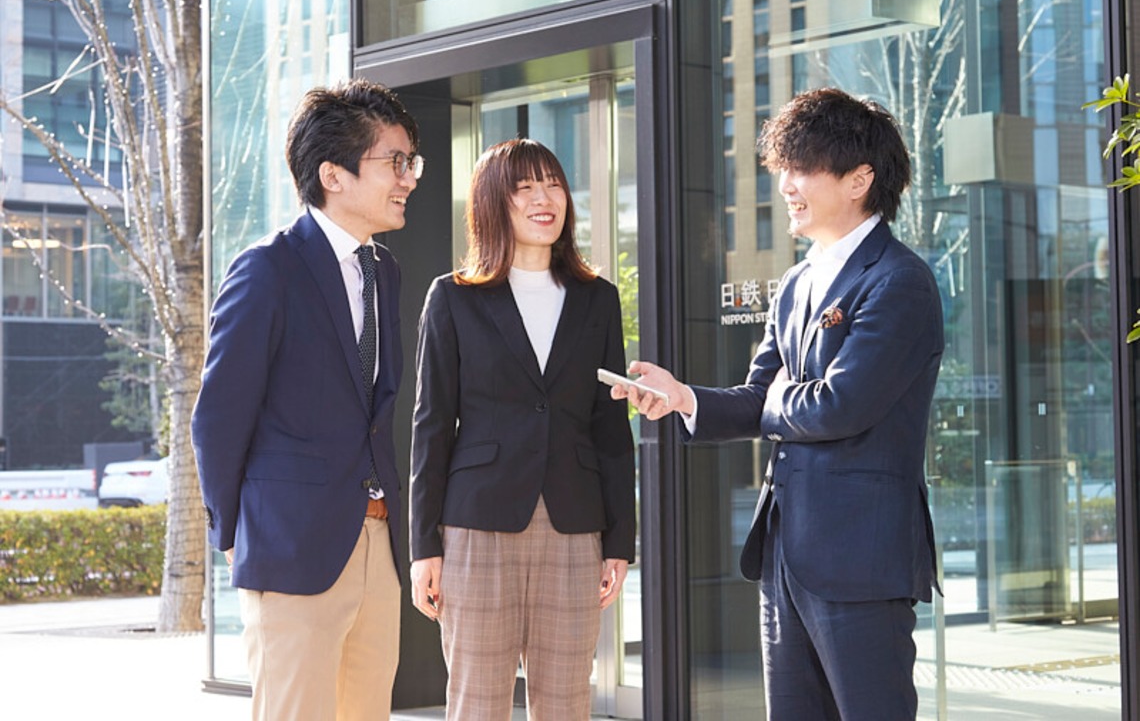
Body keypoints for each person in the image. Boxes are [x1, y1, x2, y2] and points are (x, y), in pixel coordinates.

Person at [613, 87, 943, 720]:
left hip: (861, 560)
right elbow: (757, 394)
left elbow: (839, 406)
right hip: (786, 558)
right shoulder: (797, 281)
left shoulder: (899, 280)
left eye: (804, 169)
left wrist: (778, 397)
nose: (787, 185)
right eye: (784, 169)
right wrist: (684, 399)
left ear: (860, 179)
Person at [191, 78, 422, 721]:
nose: (408, 178)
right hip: (290, 548)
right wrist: (235, 532)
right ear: (334, 174)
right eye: (394, 162)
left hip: (377, 545)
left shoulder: (386, 271)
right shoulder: (267, 269)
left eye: (412, 162)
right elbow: (218, 417)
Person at [409, 138, 636, 721]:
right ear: (492, 202)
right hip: (477, 525)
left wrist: (619, 542)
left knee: (566, 702)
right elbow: (431, 424)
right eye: (524, 187)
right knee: (477, 701)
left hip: (574, 524)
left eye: (553, 184)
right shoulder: (453, 297)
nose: (544, 199)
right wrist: (423, 547)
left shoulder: (598, 299)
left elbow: (611, 426)